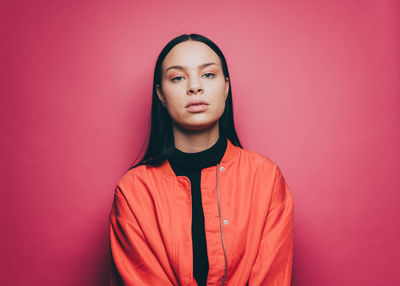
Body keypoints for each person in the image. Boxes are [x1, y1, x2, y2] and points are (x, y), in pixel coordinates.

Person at [109, 33, 294, 286]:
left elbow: (272, 278)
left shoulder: (265, 178)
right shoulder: (133, 192)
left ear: (226, 87)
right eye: (178, 77)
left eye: (208, 74)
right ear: (161, 94)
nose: (194, 87)